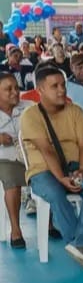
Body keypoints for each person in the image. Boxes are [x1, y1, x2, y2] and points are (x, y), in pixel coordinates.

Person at [19, 65, 83, 269]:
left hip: (74, 166)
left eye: (63, 85)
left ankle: (81, 244)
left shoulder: (76, 111)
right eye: (54, 86)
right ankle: (79, 243)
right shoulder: (30, 115)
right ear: (40, 90)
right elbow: (47, 151)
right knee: (55, 192)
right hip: (43, 171)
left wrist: (82, 170)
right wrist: (62, 178)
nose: (61, 90)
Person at [0, 72, 28, 247]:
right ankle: (16, 230)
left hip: (30, 157)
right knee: (12, 180)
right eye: (8, 89)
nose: (15, 92)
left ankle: (49, 223)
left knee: (46, 176)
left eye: (16, 88)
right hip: (5, 158)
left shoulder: (29, 107)